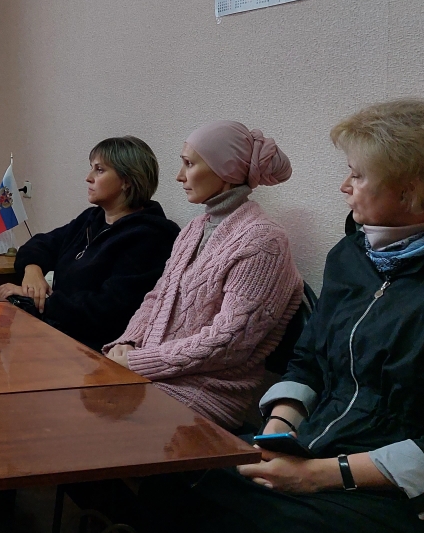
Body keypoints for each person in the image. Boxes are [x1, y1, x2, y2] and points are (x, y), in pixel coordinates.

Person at [145, 100, 424, 533]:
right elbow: (308, 359)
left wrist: (319, 476)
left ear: (411, 190)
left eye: (356, 175)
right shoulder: (354, 256)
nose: (343, 188)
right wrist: (279, 429)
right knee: (176, 489)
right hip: (321, 450)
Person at [104, 121, 303, 429]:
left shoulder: (264, 242)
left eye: (189, 163)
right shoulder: (196, 228)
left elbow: (229, 340)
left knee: (93, 427)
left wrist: (138, 362)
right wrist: (130, 341)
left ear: (225, 170)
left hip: (204, 393)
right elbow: (158, 295)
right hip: (157, 376)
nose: (179, 176)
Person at [0, 136, 179, 350]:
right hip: (58, 334)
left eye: (99, 170)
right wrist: (32, 270)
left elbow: (108, 311)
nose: (88, 178)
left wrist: (33, 299)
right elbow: (41, 244)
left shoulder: (151, 236)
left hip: (95, 351)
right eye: (91, 168)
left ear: (127, 180)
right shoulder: (92, 219)